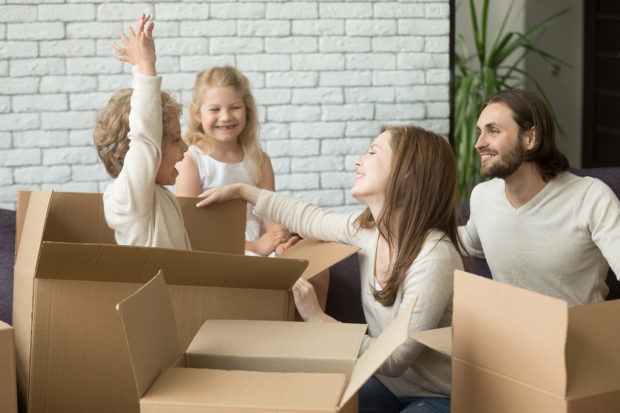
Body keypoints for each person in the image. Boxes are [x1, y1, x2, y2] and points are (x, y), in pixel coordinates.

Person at [197, 125, 464, 413]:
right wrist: (242, 190)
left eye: (373, 152)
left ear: (407, 171)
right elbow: (307, 217)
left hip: (440, 397)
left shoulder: (434, 256)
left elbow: (395, 358)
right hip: (385, 386)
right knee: (305, 402)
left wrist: (317, 318)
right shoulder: (367, 232)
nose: (358, 161)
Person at [459, 89, 620, 306]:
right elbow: (466, 242)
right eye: (479, 132)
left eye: (493, 131)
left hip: (579, 334)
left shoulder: (591, 197)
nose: (479, 143)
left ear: (531, 137)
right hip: (510, 335)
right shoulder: (482, 197)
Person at [93, 13, 191, 250]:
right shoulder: (130, 199)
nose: (186, 147)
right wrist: (145, 66)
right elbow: (144, 135)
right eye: (176, 140)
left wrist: (139, 67)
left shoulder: (154, 195)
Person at [175, 65, 293, 256]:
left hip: (261, 244)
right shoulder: (190, 161)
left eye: (235, 107)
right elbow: (191, 229)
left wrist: (279, 240)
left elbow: (270, 212)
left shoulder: (258, 159)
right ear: (197, 113)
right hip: (216, 250)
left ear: (246, 109)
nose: (225, 117)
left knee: (314, 271)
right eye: (214, 109)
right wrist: (253, 247)